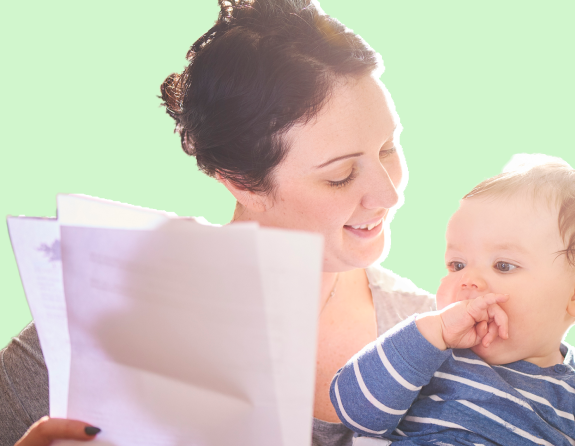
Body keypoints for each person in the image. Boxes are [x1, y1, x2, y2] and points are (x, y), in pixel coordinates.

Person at [0, 1, 433, 445]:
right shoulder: (85, 340)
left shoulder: (435, 330)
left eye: (388, 148)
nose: (390, 194)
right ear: (242, 183)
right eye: (340, 176)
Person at [330, 155, 575, 445]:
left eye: (503, 266)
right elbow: (354, 411)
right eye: (457, 265)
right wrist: (432, 332)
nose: (469, 280)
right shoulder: (431, 356)